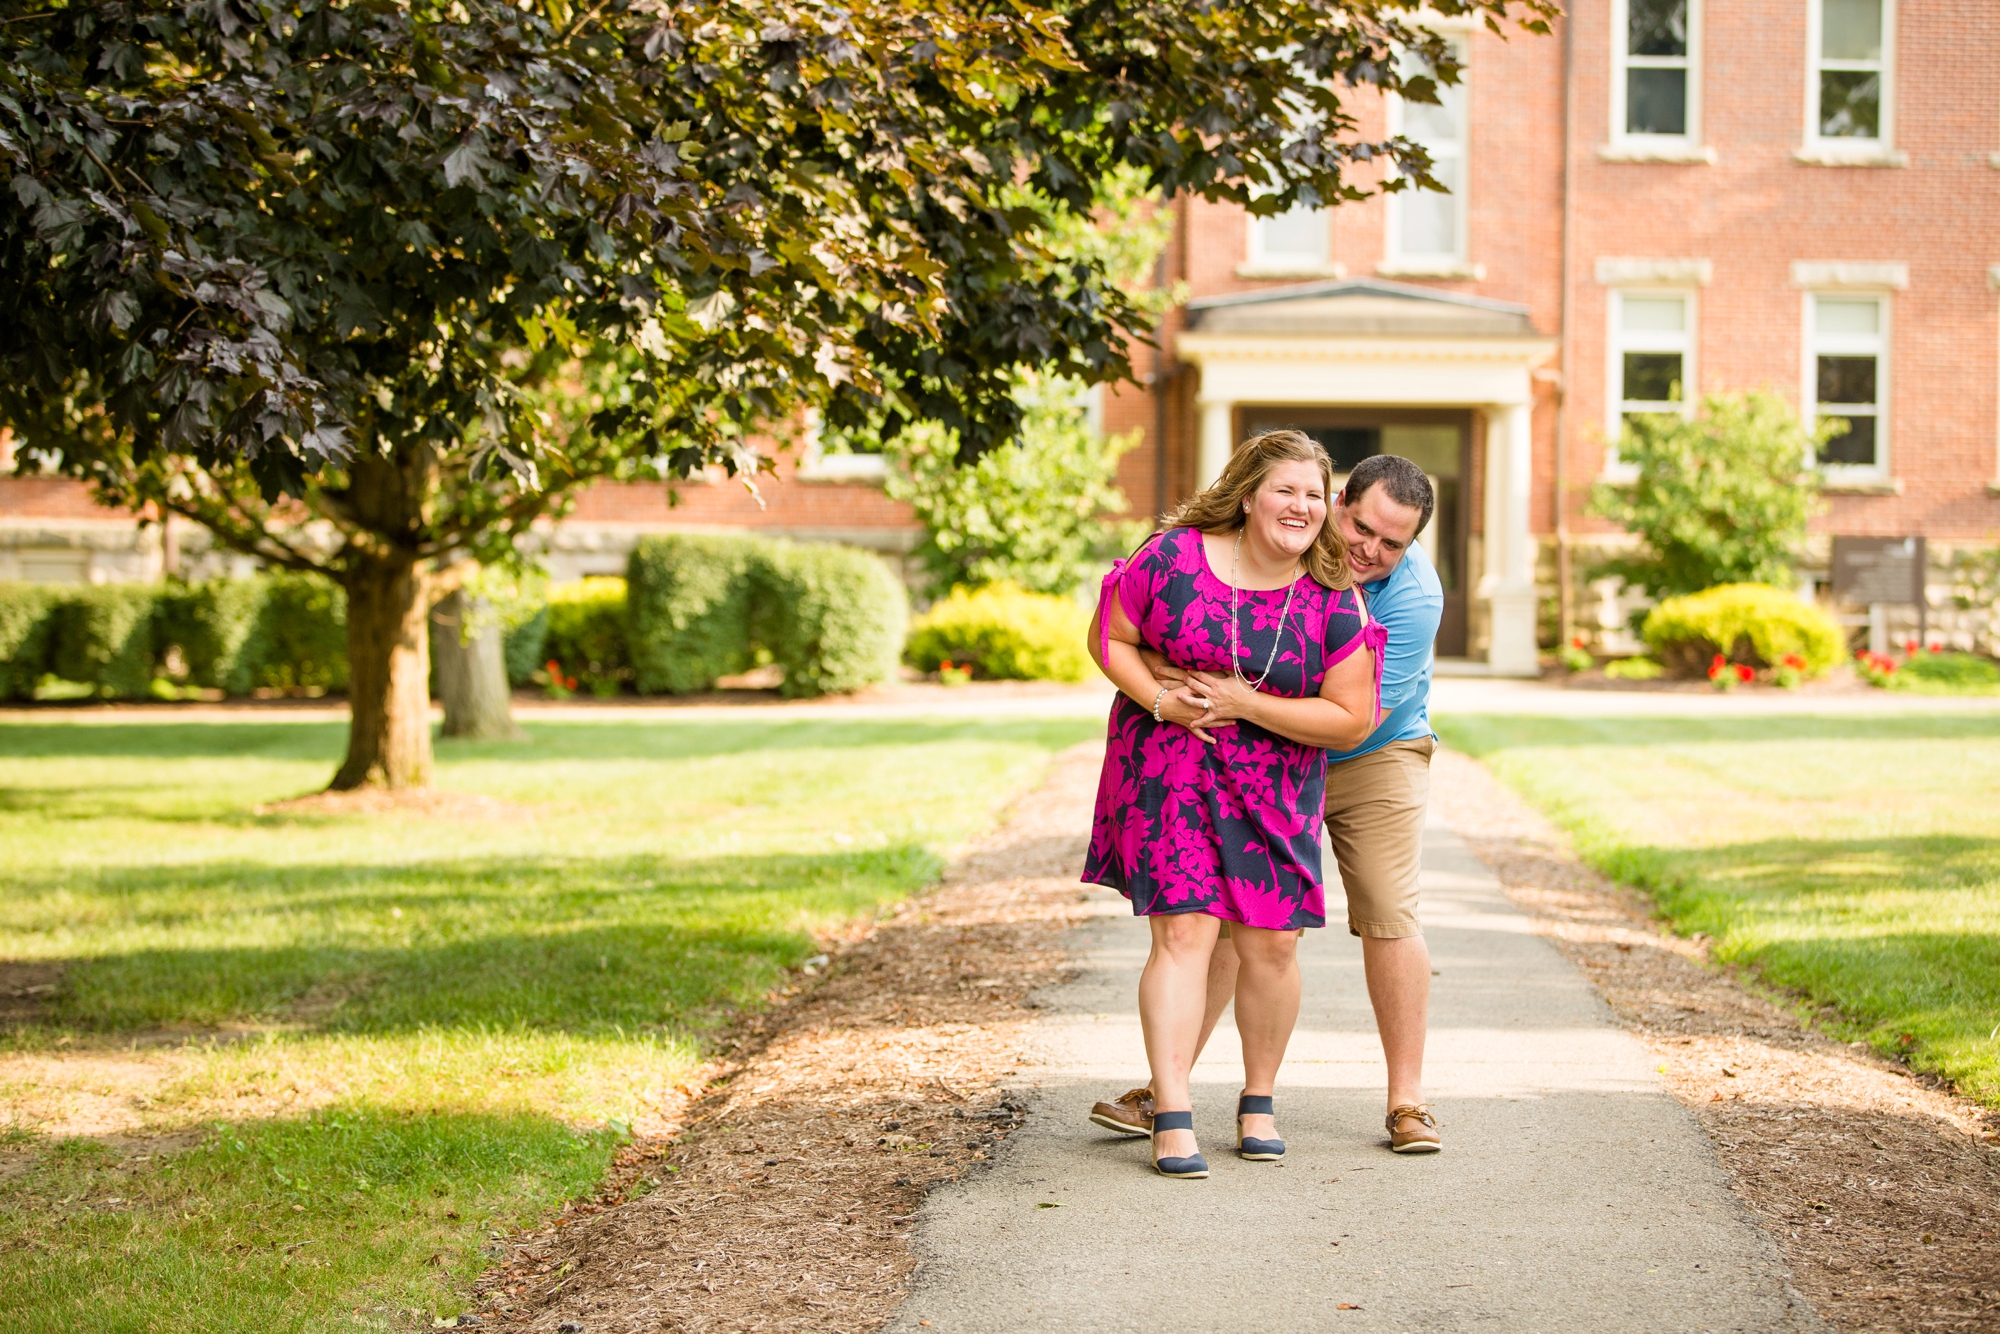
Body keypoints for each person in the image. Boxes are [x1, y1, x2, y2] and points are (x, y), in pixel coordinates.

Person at [1088, 452, 1447, 1153]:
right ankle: (1169, 1094)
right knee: (1214, 920)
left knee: (1386, 908)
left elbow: (1356, 718)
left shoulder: (1410, 599)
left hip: (1370, 753)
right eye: (1362, 528)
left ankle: (1407, 1100)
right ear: (1340, 503)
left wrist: (1232, 696)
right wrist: (1170, 678)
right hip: (1254, 753)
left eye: (1391, 544)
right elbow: (1146, 632)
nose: (1370, 550)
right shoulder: (1236, 553)